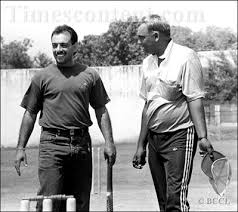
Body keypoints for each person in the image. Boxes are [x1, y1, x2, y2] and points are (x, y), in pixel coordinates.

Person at [14, 24, 116, 212]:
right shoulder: (42, 77)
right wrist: (21, 148)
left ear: (75, 47)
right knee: (49, 202)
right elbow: (30, 113)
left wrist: (109, 143)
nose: (58, 50)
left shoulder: (90, 75)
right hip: (52, 145)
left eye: (63, 45)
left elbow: (101, 109)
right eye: (54, 45)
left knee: (80, 202)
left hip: (82, 144)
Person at [132, 15, 213, 212]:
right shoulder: (147, 63)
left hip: (180, 136)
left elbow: (194, 98)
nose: (139, 42)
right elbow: (148, 106)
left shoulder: (186, 57)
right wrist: (140, 145)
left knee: (175, 201)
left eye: (142, 37)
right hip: (154, 140)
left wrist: (202, 137)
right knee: (163, 202)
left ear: (156, 36)